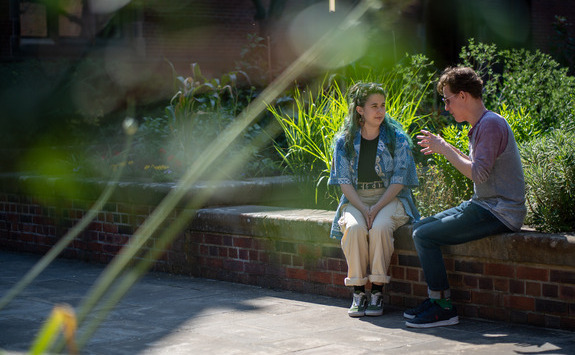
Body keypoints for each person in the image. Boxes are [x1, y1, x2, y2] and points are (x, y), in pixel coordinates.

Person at [405, 66, 526, 328]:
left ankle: (443, 306)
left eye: (447, 100)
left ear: (463, 96)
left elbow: (478, 174)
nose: (446, 107)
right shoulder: (483, 124)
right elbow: (479, 168)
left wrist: (446, 149)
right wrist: (447, 148)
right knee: (420, 227)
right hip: (484, 205)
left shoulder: (491, 125)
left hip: (501, 211)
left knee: (423, 236)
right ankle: (436, 300)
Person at [328, 82, 420, 317]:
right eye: (374, 106)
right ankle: (359, 291)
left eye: (383, 106)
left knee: (380, 228)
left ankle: (377, 291)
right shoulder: (344, 142)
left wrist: (377, 208)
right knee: (355, 227)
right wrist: (363, 208)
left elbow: (400, 179)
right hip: (357, 199)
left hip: (391, 198)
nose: (380, 111)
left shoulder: (396, 139)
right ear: (360, 110)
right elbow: (344, 182)